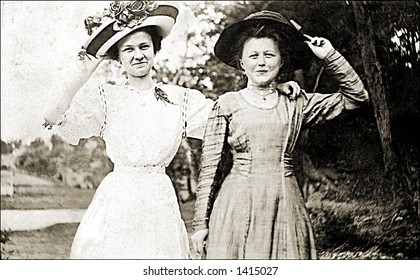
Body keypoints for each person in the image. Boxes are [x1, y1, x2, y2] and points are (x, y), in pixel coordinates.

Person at [42, 2, 300, 259]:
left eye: (144, 47)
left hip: (159, 199)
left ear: (155, 50)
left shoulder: (180, 99)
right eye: (128, 50)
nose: (138, 55)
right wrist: (86, 67)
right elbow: (53, 115)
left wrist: (271, 88)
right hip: (117, 199)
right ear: (119, 58)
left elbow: (233, 115)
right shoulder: (107, 98)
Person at [191, 10, 369, 259]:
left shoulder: (297, 102)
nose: (261, 62)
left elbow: (356, 98)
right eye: (253, 56)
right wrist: (200, 225)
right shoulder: (227, 104)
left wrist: (329, 55)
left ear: (282, 61)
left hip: (285, 205)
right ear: (242, 64)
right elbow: (209, 168)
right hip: (235, 207)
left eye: (269, 55)